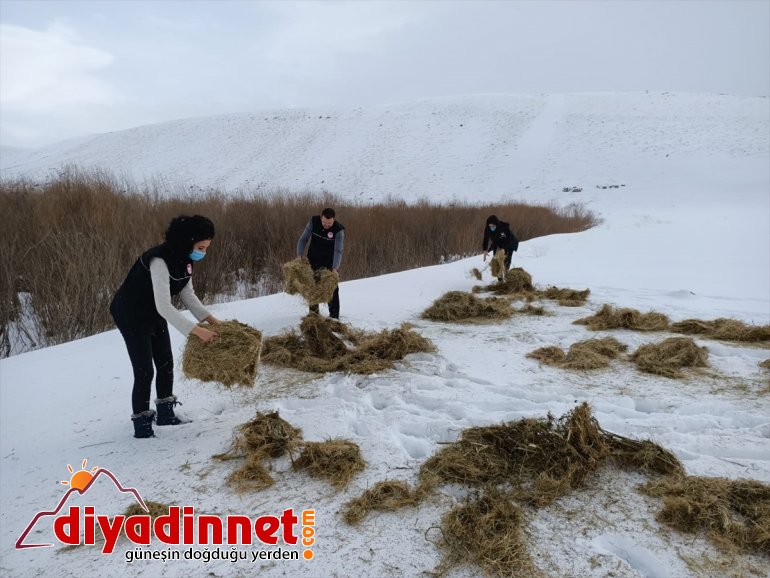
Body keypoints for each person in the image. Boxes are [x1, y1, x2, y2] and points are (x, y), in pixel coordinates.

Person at [110, 215, 220, 439]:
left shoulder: (185, 259)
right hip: (131, 313)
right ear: (186, 240)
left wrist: (212, 320)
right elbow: (165, 306)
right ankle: (142, 425)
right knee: (144, 371)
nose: (203, 253)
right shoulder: (158, 261)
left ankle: (166, 415)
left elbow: (188, 294)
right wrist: (197, 331)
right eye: (200, 247)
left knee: (166, 362)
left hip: (154, 311)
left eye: (206, 248)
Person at [296, 207, 345, 319]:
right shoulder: (314, 222)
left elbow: (338, 251)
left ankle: (334, 316)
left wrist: (334, 268)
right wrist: (299, 255)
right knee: (312, 286)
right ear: (321, 217)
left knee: (332, 289)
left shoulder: (338, 230)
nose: (326, 225)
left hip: (329, 264)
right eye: (324, 222)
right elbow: (303, 239)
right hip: (312, 260)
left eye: (329, 223)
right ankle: (313, 315)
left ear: (334, 220)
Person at [481, 215, 519, 280]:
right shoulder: (488, 229)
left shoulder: (503, 228)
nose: (491, 228)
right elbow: (486, 239)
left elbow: (508, 240)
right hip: (498, 243)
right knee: (496, 260)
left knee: (506, 260)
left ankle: (507, 275)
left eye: (493, 226)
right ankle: (500, 280)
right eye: (490, 226)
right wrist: (485, 250)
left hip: (510, 243)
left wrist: (503, 249)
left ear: (496, 224)